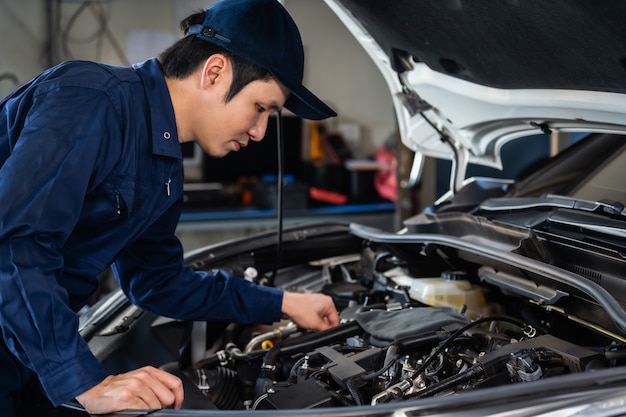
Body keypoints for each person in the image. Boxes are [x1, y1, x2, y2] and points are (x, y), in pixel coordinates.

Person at [0, 0, 340, 415]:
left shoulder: (163, 168)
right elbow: (16, 247)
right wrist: (85, 380)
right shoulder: (90, 101)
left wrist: (282, 302)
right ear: (214, 73)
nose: (259, 131)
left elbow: (157, 282)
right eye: (260, 108)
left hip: (27, 344)